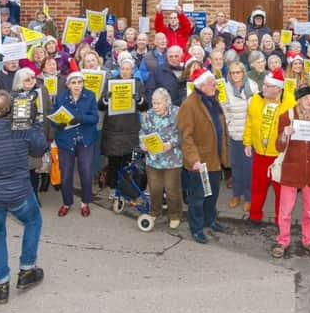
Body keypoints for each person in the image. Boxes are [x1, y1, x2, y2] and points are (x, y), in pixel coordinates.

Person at [0, 91, 46, 304]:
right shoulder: (22, 130)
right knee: (33, 221)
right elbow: (39, 149)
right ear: (12, 109)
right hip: (18, 192)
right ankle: (26, 270)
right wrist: (35, 123)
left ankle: (0, 283)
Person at [272, 85, 310, 258]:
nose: (309, 102)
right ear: (298, 99)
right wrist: (284, 134)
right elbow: (279, 146)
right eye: (306, 98)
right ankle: (283, 240)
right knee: (285, 210)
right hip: (291, 169)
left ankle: (309, 240)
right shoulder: (287, 116)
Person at [178, 68, 229, 243]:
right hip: (200, 160)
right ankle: (197, 228)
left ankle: (210, 220)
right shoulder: (189, 105)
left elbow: (220, 127)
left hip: (214, 158)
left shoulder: (212, 100)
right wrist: (194, 160)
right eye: (211, 83)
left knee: (213, 193)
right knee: (198, 197)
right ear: (201, 85)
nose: (215, 85)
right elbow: (186, 136)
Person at [243, 68, 295, 225]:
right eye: (263, 85)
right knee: (257, 187)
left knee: (281, 191)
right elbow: (249, 122)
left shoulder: (290, 103)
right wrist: (247, 142)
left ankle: (281, 221)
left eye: (267, 86)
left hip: (279, 156)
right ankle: (254, 216)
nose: (262, 88)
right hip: (260, 153)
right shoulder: (255, 100)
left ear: (278, 88)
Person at [50, 71, 99, 217]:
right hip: (66, 139)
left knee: (85, 171)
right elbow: (53, 117)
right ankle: (67, 202)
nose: (77, 85)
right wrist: (57, 123)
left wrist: (81, 118)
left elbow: (95, 118)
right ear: (68, 84)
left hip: (85, 139)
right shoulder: (61, 97)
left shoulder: (90, 96)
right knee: (65, 174)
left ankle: (85, 202)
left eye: (79, 82)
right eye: (74, 82)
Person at [98, 58, 147, 199]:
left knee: (127, 163)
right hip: (113, 129)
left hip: (130, 129)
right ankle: (113, 188)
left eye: (128, 69)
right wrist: (106, 99)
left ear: (132, 71)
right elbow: (100, 105)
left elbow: (145, 106)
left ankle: (125, 189)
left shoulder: (137, 84)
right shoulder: (110, 83)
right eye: (123, 69)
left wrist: (139, 100)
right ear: (119, 69)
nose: (125, 71)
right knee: (113, 162)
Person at [140, 88, 183, 229]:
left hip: (172, 160)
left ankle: (175, 215)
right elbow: (143, 130)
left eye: (159, 103)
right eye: (153, 102)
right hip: (153, 160)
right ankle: (154, 212)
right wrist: (143, 143)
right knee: (155, 189)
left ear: (167, 102)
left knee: (172, 190)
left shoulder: (177, 112)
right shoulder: (150, 114)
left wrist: (171, 143)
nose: (155, 106)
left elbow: (183, 133)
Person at [11, 68, 52, 204]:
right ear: (19, 82)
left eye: (33, 78)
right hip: (21, 139)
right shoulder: (13, 96)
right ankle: (23, 198)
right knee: (23, 172)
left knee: (34, 171)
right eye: (27, 79)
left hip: (38, 136)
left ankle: (34, 197)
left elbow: (49, 111)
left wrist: (49, 134)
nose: (31, 81)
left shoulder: (42, 90)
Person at [224, 61, 259, 212]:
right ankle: (236, 194)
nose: (235, 75)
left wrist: (250, 134)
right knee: (236, 167)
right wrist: (230, 124)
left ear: (243, 72)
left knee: (249, 168)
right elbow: (224, 109)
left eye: (238, 72)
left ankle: (248, 196)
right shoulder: (225, 88)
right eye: (232, 73)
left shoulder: (252, 86)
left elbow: (255, 110)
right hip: (234, 133)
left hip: (248, 135)